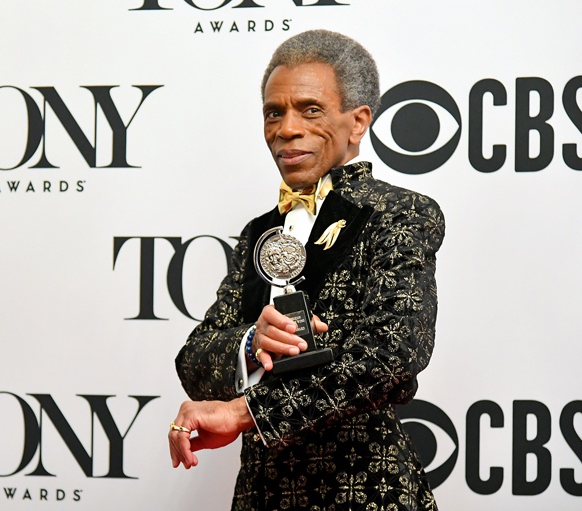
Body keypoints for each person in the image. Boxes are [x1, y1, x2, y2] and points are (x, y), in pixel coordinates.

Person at [169, 29, 444, 511]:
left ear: (358, 122)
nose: (287, 128)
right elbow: (194, 360)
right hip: (261, 497)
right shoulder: (258, 233)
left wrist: (245, 412)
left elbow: (391, 355)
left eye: (310, 109)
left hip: (364, 492)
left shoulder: (398, 214)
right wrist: (252, 344)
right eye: (274, 112)